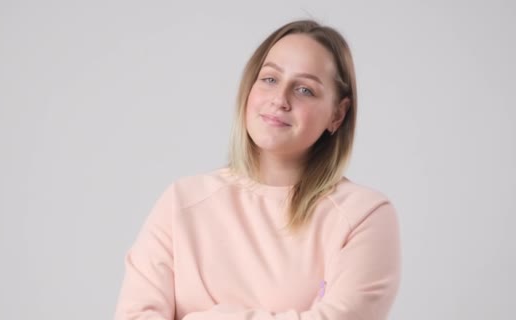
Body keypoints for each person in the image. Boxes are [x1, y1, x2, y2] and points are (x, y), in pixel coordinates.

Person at [114, 19, 401, 320]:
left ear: (337, 114)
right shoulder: (182, 201)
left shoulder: (363, 215)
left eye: (304, 89)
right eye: (270, 79)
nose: (280, 99)